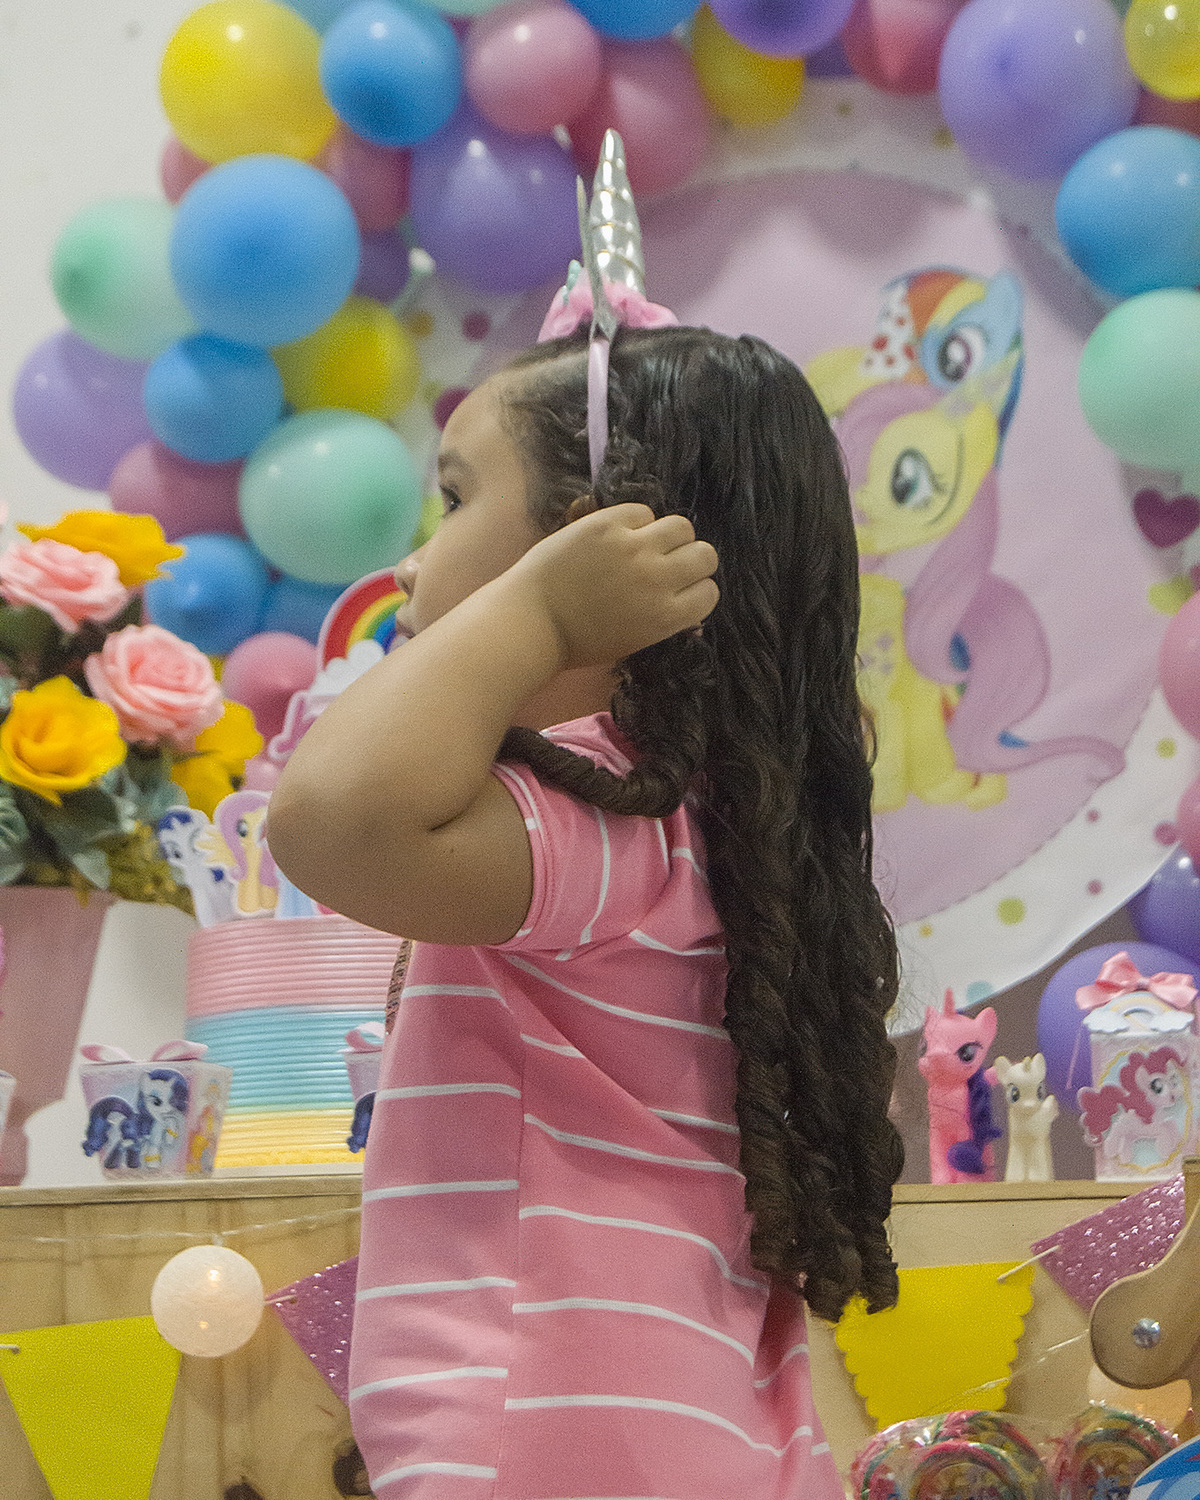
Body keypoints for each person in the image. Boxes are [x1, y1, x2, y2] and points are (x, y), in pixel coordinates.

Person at [269, 134, 902, 1500]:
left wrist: (539, 614)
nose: (414, 562)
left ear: (599, 541)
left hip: (538, 1430)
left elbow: (326, 820)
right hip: (699, 1435)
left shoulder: (604, 815)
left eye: (453, 500)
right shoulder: (707, 824)